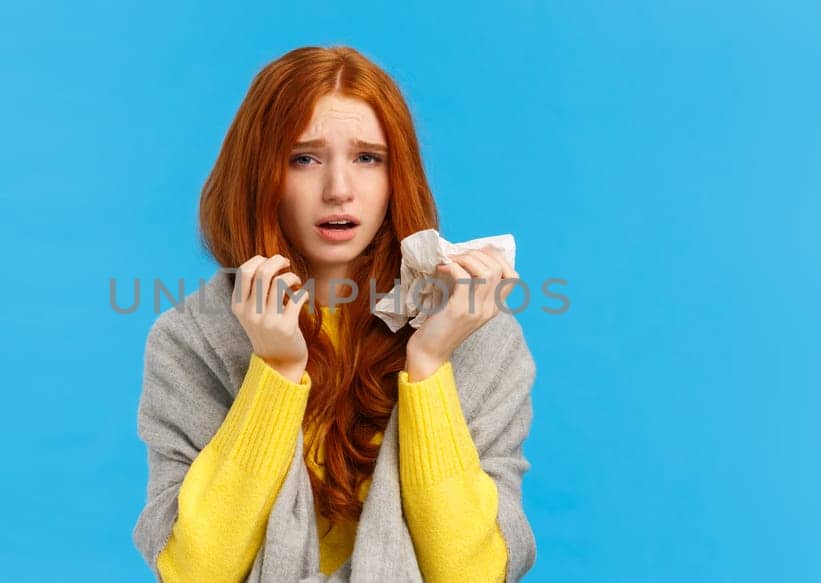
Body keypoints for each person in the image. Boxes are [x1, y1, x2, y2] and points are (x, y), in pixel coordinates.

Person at [132, 45, 537, 582]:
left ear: (398, 177)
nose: (339, 190)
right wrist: (274, 370)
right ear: (261, 176)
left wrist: (431, 361)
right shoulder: (191, 341)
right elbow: (194, 570)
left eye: (368, 158)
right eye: (305, 158)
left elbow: (476, 572)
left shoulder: (482, 339)